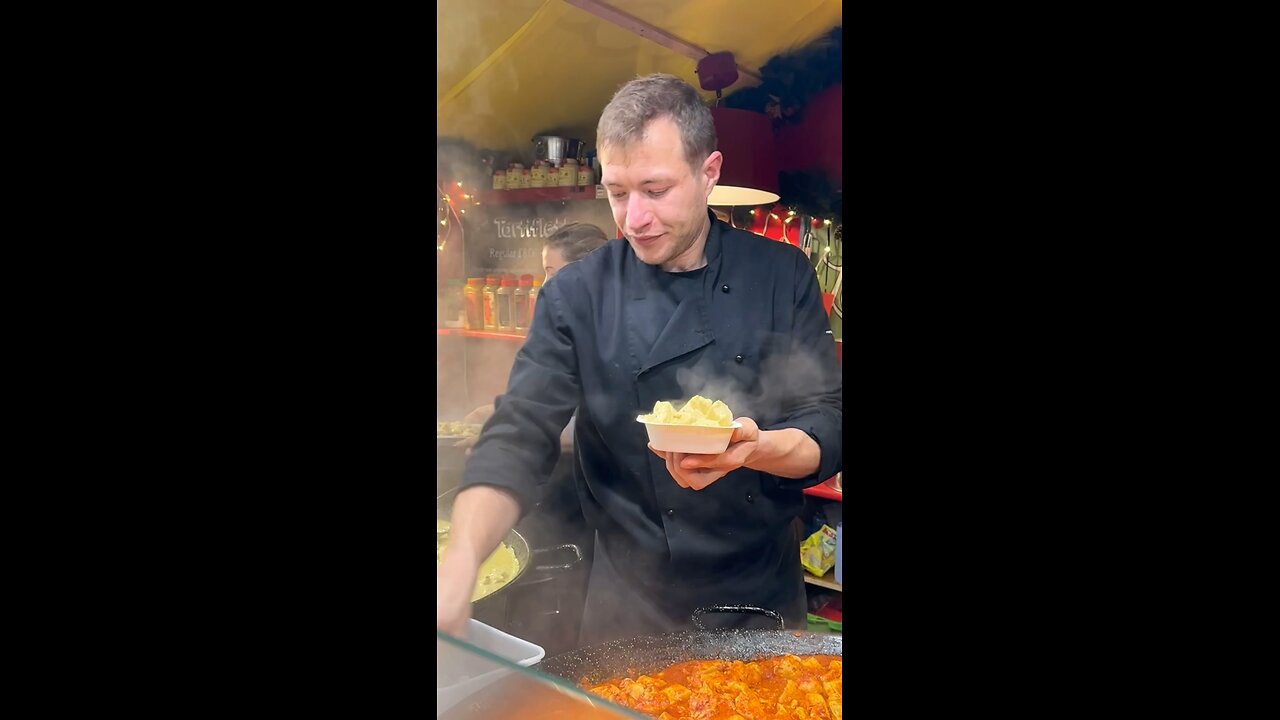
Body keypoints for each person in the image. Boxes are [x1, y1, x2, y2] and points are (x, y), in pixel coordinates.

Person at [437, 73, 841, 646]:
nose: (633, 220)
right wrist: (460, 562)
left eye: (655, 190)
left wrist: (759, 448)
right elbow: (519, 433)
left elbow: (828, 420)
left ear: (710, 173)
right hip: (629, 605)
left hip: (759, 600)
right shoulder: (576, 294)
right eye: (617, 192)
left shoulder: (780, 275)